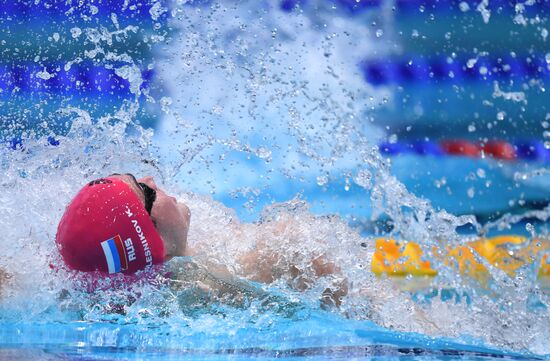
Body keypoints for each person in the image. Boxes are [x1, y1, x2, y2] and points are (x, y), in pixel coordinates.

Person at [55, 173, 347, 310]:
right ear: (150, 236)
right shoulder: (271, 253)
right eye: (144, 188)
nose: (151, 178)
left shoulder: (100, 303)